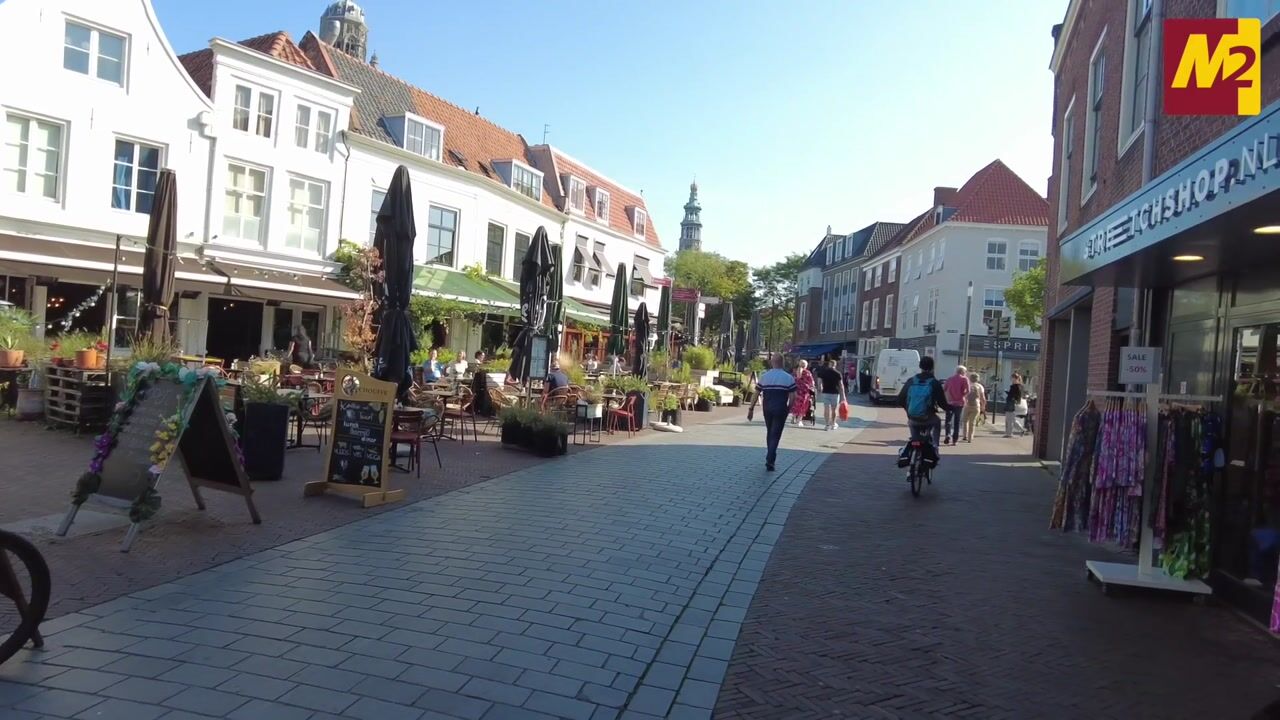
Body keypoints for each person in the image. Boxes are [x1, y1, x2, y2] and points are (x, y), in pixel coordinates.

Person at [896, 355, 949, 467]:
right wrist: (950, 409)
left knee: (914, 436)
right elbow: (942, 403)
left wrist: (909, 412)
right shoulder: (934, 382)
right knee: (937, 422)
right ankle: (935, 446)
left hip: (913, 419)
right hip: (928, 418)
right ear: (932, 367)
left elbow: (900, 399)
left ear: (920, 366)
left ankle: (910, 453)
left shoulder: (911, 381)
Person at [748, 354, 797, 471]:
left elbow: (756, 394)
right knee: (776, 434)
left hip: (767, 408)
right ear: (783, 362)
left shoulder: (765, 377)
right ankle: (770, 459)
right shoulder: (788, 378)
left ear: (772, 362)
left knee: (770, 431)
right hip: (780, 408)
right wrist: (788, 408)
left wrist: (751, 409)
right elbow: (793, 396)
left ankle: (769, 455)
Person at [813, 358, 846, 431]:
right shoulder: (838, 373)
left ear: (829, 364)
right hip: (835, 393)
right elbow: (841, 385)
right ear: (835, 365)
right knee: (834, 409)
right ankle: (833, 424)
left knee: (826, 409)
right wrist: (843, 396)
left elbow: (819, 382)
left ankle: (827, 425)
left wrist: (819, 388)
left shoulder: (824, 372)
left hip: (825, 392)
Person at [942, 364, 971, 445]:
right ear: (963, 372)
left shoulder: (950, 379)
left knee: (948, 420)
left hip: (950, 402)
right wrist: (963, 395)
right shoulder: (964, 379)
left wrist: (947, 397)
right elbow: (968, 390)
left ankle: (948, 434)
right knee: (957, 421)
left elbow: (944, 389)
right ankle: (955, 440)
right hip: (960, 402)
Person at [961, 372, 986, 442]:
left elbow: (964, 395)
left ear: (970, 378)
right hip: (976, 406)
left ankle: (964, 436)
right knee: (972, 422)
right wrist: (983, 406)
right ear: (978, 379)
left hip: (967, 405)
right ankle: (970, 438)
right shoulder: (980, 386)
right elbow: (983, 398)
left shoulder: (968, 385)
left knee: (965, 421)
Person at [790, 359, 815, 426]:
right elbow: (812, 382)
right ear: (806, 366)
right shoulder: (807, 372)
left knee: (795, 405)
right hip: (804, 392)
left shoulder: (795, 372)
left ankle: (793, 418)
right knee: (803, 406)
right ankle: (799, 421)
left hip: (796, 391)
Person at [1004, 372, 1026, 437]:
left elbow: (1014, 395)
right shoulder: (1020, 386)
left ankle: (1009, 434)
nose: (1011, 380)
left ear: (1015, 378)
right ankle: (1021, 430)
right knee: (1012, 419)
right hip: (1013, 403)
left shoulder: (1015, 386)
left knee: (1009, 419)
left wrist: (1008, 393)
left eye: (1012, 378)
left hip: (1012, 403)